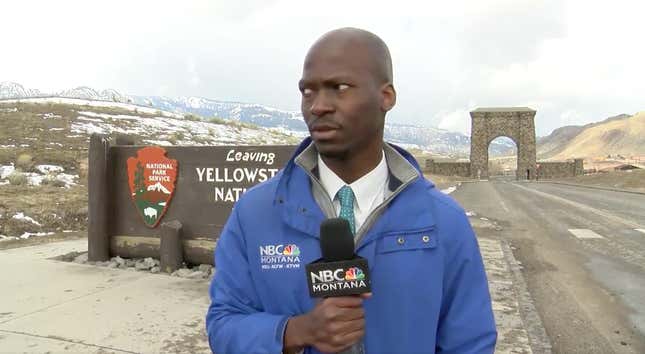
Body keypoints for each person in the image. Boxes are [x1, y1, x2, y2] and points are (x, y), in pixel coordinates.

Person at [206, 27, 497, 354]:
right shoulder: (255, 213)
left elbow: (470, 344)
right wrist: (294, 332)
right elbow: (223, 325)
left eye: (339, 87)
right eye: (307, 91)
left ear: (386, 96)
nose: (318, 106)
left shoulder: (444, 222)